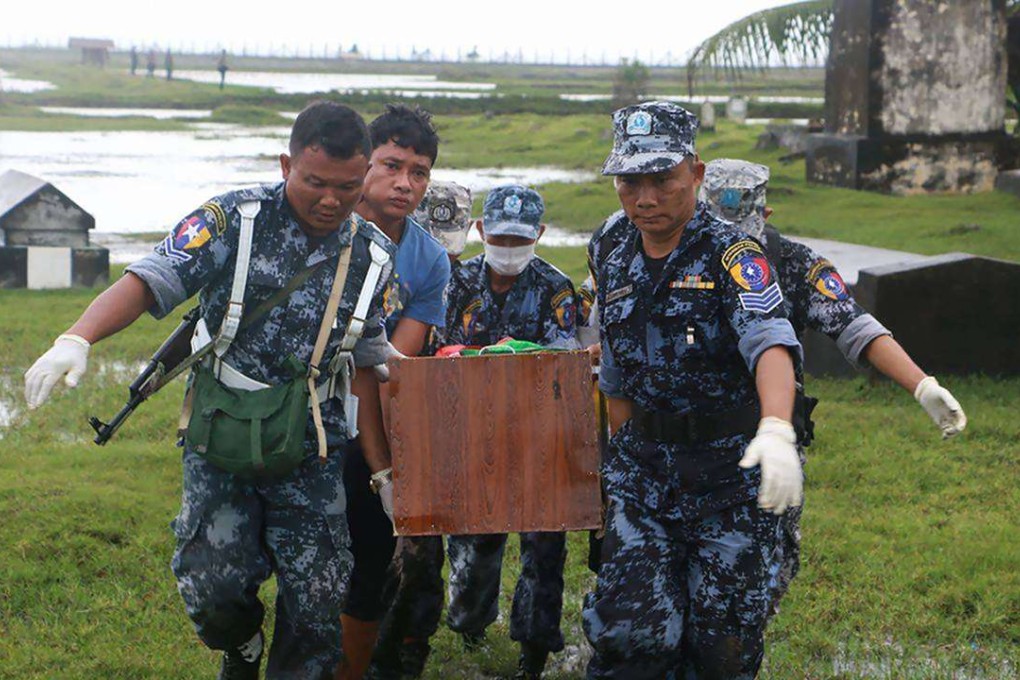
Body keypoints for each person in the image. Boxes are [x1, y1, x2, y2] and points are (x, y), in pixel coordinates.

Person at [23, 101, 397, 680]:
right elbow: (151, 279)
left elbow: (368, 348)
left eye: (348, 187)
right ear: (285, 165)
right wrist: (76, 337)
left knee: (319, 602)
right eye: (315, 182)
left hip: (310, 443)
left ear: (366, 175)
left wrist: (384, 462)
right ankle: (241, 645)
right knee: (212, 583)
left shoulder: (373, 253)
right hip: (224, 428)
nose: (330, 200)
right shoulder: (232, 220)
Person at [582, 101, 804, 679]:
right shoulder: (610, 244)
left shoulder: (732, 254)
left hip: (728, 482)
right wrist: (623, 454)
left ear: (696, 174)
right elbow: (615, 362)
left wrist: (777, 428)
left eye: (663, 180)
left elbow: (770, 345)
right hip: (644, 472)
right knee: (630, 638)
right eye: (629, 181)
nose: (645, 198)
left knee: (721, 651)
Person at [699, 157, 967, 616]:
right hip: (688, 444)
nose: (731, 246)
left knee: (759, 585)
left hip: (769, 440)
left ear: (765, 216)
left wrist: (921, 386)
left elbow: (855, 326)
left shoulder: (792, 263)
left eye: (742, 231)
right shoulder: (675, 253)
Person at [442, 184, 579, 680]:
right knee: (474, 540)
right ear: (480, 231)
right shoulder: (455, 281)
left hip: (539, 436)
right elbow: (435, 346)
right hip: (471, 434)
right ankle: (471, 623)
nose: (508, 249)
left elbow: (567, 353)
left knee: (544, 546)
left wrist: (518, 350)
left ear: (539, 235)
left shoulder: (555, 287)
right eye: (499, 237)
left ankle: (535, 648)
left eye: (520, 240)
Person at [337, 104, 449, 680]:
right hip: (293, 414)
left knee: (371, 560)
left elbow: (386, 369)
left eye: (420, 171)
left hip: (366, 419)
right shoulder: (325, 223)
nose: (405, 183)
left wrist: (381, 469)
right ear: (365, 163)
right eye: (392, 165)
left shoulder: (428, 258)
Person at [366, 180, 475, 680]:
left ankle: (410, 651)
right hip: (376, 428)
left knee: (422, 555)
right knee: (373, 557)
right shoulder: (387, 266)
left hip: (435, 437)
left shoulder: (464, 282)